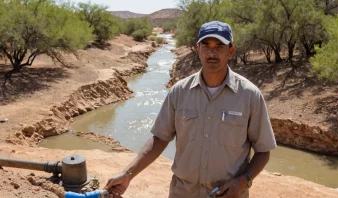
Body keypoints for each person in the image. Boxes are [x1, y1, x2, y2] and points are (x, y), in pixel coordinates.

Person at [104, 21, 277, 198]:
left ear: (230, 51)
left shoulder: (249, 95)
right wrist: (128, 174)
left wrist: (243, 181)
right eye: (206, 45)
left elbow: (263, 150)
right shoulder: (179, 92)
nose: (212, 52)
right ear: (198, 49)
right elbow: (160, 139)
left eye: (219, 46)